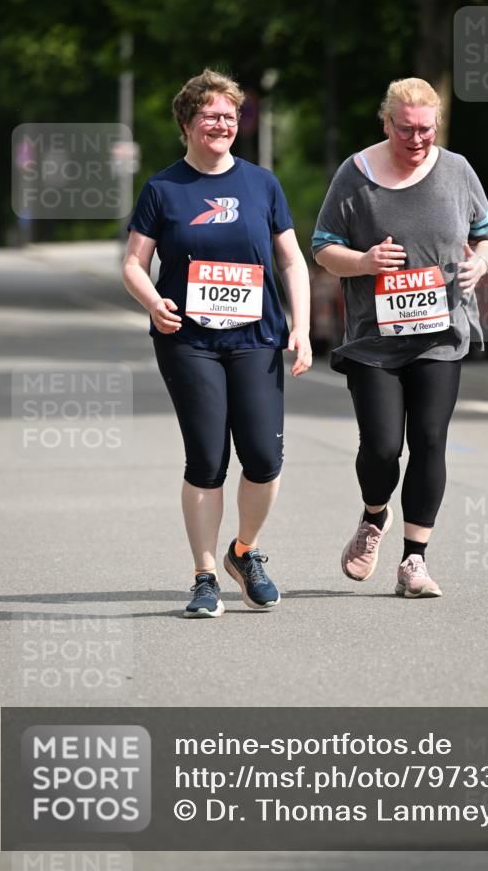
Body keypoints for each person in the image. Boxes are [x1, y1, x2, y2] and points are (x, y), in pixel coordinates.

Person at [123, 68, 311, 618]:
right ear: (186, 123)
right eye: (210, 115)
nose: (222, 124)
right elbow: (135, 265)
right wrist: (153, 303)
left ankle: (244, 552)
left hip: (256, 336)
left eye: (230, 116)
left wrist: (299, 326)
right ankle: (205, 574)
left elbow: (291, 259)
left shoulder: (262, 184)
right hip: (189, 340)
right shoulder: (163, 188)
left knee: (263, 456)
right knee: (207, 457)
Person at [312, 77, 488, 599]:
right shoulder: (357, 175)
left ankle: (414, 561)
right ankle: (375, 515)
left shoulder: (457, 170)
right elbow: (323, 246)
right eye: (406, 130)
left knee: (430, 440)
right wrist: (364, 262)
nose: (417, 140)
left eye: (426, 129)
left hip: (441, 331)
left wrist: (479, 264)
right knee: (381, 445)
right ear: (387, 123)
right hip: (375, 337)